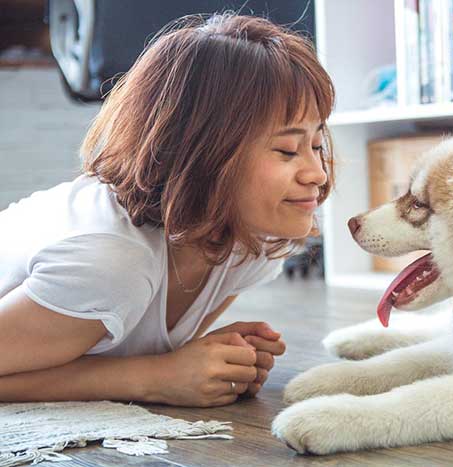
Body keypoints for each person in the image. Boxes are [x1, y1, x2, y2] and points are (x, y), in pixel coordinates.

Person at [0, 13, 335, 408]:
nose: (317, 173)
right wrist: (152, 378)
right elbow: (147, 368)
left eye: (316, 145)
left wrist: (213, 360)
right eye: (286, 150)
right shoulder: (110, 262)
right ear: (202, 154)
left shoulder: (249, 243)